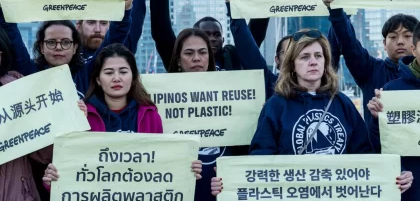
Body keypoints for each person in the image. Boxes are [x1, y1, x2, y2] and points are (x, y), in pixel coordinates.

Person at [210, 29, 413, 196]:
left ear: (326, 62)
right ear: (292, 65)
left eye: (318, 56)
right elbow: (260, 158)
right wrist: (232, 180)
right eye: (304, 57)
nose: (313, 61)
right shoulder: (276, 105)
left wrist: (395, 174)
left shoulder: (342, 102)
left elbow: (364, 154)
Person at [42, 43, 202, 188]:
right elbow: (70, 170)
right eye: (109, 72)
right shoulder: (82, 115)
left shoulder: (150, 115)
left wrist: (186, 169)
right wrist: (53, 179)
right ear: (98, 79)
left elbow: (162, 163)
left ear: (133, 77)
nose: (116, 78)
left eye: (123, 72)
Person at [0, 25, 87, 201]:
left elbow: (43, 153)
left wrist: (71, 120)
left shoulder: (17, 88)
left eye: (65, 42)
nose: (58, 47)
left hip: (16, 191)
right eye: (52, 42)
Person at [166, 28, 247, 201]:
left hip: (224, 189)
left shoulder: (231, 94)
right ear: (178, 60)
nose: (197, 58)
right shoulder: (161, 100)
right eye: (189, 53)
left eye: (202, 52)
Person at [323, 0, 419, 127]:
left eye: (407, 36)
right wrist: (337, 11)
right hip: (377, 147)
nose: (400, 41)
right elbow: (349, 44)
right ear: (384, 44)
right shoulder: (371, 70)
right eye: (393, 37)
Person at [367, 23, 420, 201]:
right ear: (414, 49)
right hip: (410, 189)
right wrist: (377, 119)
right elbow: (379, 146)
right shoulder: (393, 91)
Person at [223, 0, 291, 99]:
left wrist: (335, 8)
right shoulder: (269, 84)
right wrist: (234, 8)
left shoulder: (324, 91)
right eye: (289, 52)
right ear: (277, 60)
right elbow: (247, 48)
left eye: (301, 53)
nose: (293, 56)